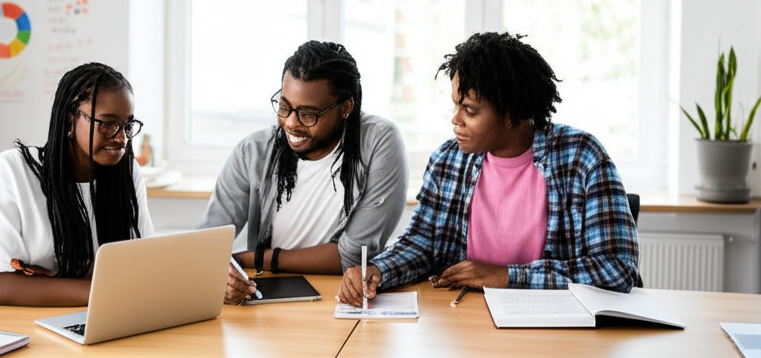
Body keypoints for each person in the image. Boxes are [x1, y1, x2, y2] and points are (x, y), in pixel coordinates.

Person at [337, 32, 641, 306]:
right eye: (456, 105)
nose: (455, 119)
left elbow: (616, 268)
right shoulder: (448, 159)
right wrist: (378, 270)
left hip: (557, 327)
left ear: (511, 113)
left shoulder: (582, 157)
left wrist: (506, 276)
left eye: (470, 110)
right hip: (468, 318)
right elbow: (423, 243)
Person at [196, 40, 409, 305]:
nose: (291, 123)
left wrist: (252, 258)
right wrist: (224, 273)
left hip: (338, 299)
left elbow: (352, 256)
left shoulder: (378, 142)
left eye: (308, 114)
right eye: (284, 107)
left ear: (345, 108)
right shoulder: (252, 153)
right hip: (265, 299)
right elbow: (205, 246)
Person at [0, 62, 154, 309]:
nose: (121, 137)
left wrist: (52, 282)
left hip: (84, 315)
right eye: (108, 123)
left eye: (127, 125)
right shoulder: (12, 171)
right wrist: (95, 287)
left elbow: (140, 269)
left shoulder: (127, 174)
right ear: (70, 120)